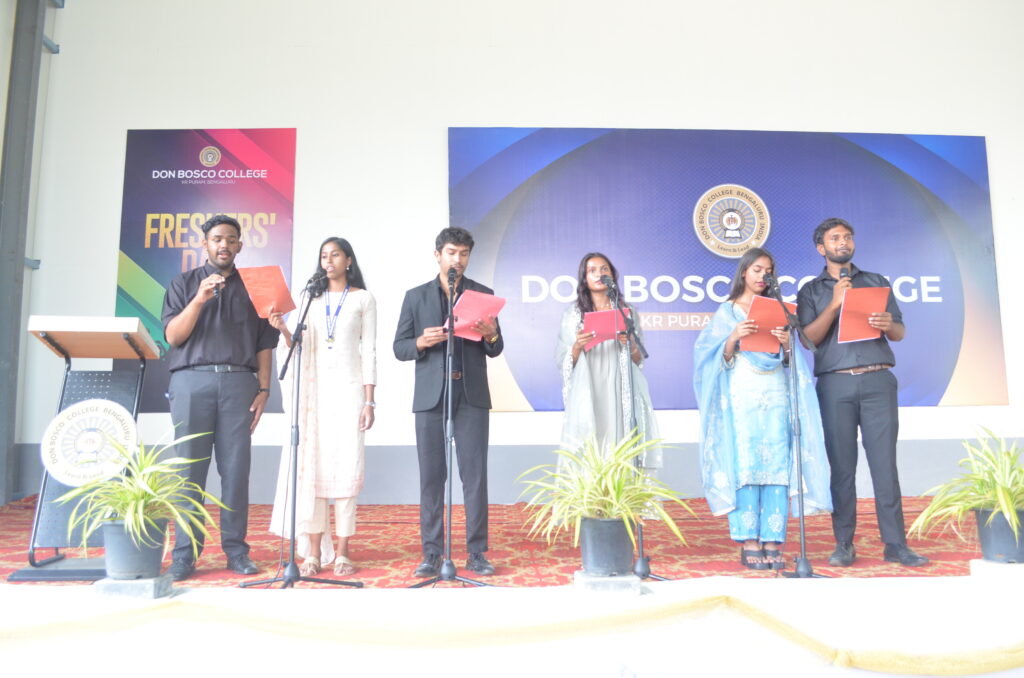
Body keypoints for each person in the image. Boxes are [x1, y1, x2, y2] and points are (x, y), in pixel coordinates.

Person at [796, 217, 929, 567]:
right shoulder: (810, 291)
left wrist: (889, 325)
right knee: (842, 468)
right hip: (835, 384)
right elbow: (808, 340)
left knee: (885, 465)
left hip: (877, 382)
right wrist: (835, 304)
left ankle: (895, 544)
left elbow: (899, 332)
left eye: (848, 236)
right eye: (835, 238)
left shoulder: (876, 282)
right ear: (821, 248)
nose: (843, 242)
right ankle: (844, 544)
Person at [694, 247, 831, 570]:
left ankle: (772, 539)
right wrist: (732, 338)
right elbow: (707, 356)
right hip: (742, 394)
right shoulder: (727, 310)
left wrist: (786, 345)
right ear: (744, 272)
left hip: (775, 392)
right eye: (756, 269)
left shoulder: (779, 309)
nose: (762, 276)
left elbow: (789, 361)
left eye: (767, 270)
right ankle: (749, 541)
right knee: (746, 462)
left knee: (777, 463)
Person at [161, 214, 280, 581]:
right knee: (188, 473)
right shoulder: (183, 284)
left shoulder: (257, 287)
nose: (224, 245)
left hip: (238, 384)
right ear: (205, 244)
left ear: (240, 245)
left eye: (230, 239)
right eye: (217, 239)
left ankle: (236, 551)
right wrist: (199, 300)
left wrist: (264, 389)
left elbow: (265, 344)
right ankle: (184, 555)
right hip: (191, 383)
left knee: (236, 471)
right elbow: (173, 337)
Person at [393, 227, 503, 577]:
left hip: (471, 395)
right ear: (437, 255)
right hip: (431, 397)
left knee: (475, 476)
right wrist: (421, 342)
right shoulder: (416, 297)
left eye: (464, 253)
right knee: (431, 477)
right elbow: (399, 347)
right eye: (452, 252)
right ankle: (431, 553)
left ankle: (476, 552)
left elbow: (496, 349)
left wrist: (491, 335)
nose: (458, 259)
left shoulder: (482, 295)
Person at [268, 237, 376, 577]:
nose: (328, 261)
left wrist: (369, 400)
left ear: (348, 260)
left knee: (346, 471)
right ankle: (313, 553)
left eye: (335, 255)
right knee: (312, 471)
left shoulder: (363, 299)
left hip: (349, 394)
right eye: (324, 256)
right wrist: (283, 330)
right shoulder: (309, 299)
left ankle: (343, 552)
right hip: (313, 396)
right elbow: (295, 347)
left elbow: (369, 351)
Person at [555, 252, 660, 472]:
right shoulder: (573, 314)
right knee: (592, 440)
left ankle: (621, 489)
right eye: (592, 270)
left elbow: (638, 359)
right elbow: (563, 361)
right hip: (590, 384)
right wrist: (577, 345)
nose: (599, 274)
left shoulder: (627, 312)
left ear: (612, 275)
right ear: (584, 278)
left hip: (620, 384)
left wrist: (630, 343)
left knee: (620, 436)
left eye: (604, 269)